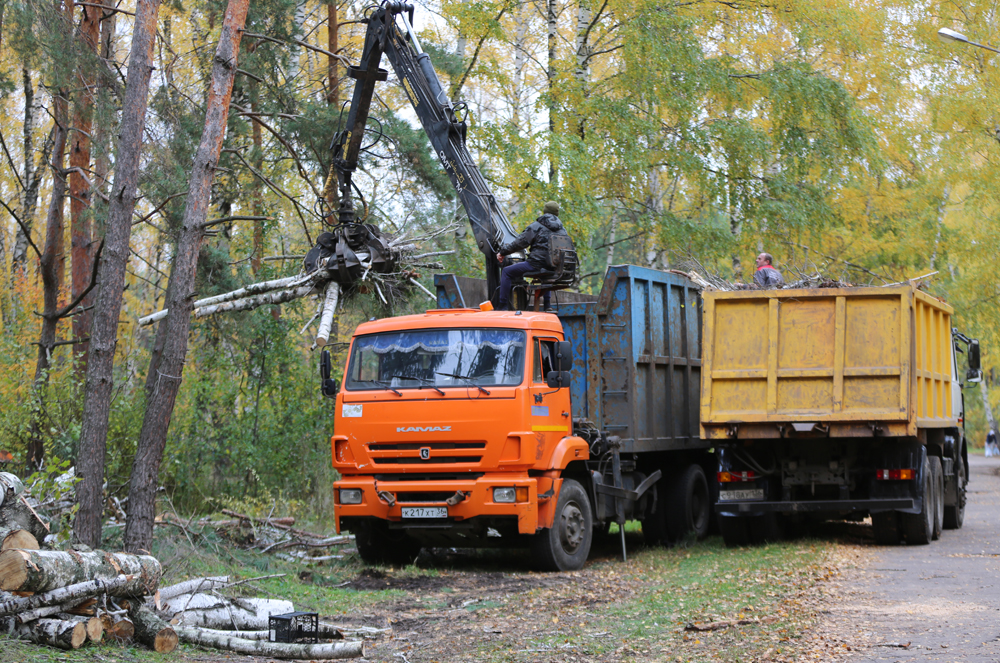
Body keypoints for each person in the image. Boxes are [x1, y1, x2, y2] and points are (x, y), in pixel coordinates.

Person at [496, 201, 570, 311]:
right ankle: (547, 305)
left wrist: (502, 252)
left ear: (544, 211)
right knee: (546, 272)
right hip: (554, 267)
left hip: (535, 265)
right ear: (557, 213)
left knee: (507, 271)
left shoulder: (536, 226)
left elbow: (519, 243)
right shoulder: (563, 230)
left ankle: (502, 306)